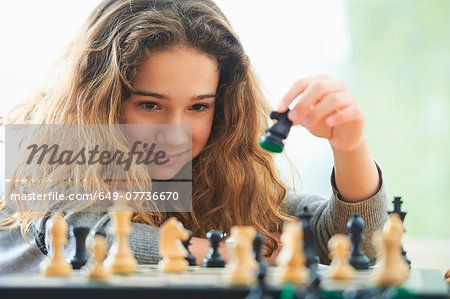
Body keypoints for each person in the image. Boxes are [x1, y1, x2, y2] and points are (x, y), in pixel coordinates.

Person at [0, 0, 387, 274]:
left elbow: (353, 243)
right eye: (150, 105)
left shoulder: (213, 169)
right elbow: (85, 239)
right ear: (99, 99)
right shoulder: (41, 150)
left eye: (199, 107)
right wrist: (232, 250)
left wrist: (349, 146)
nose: (174, 135)